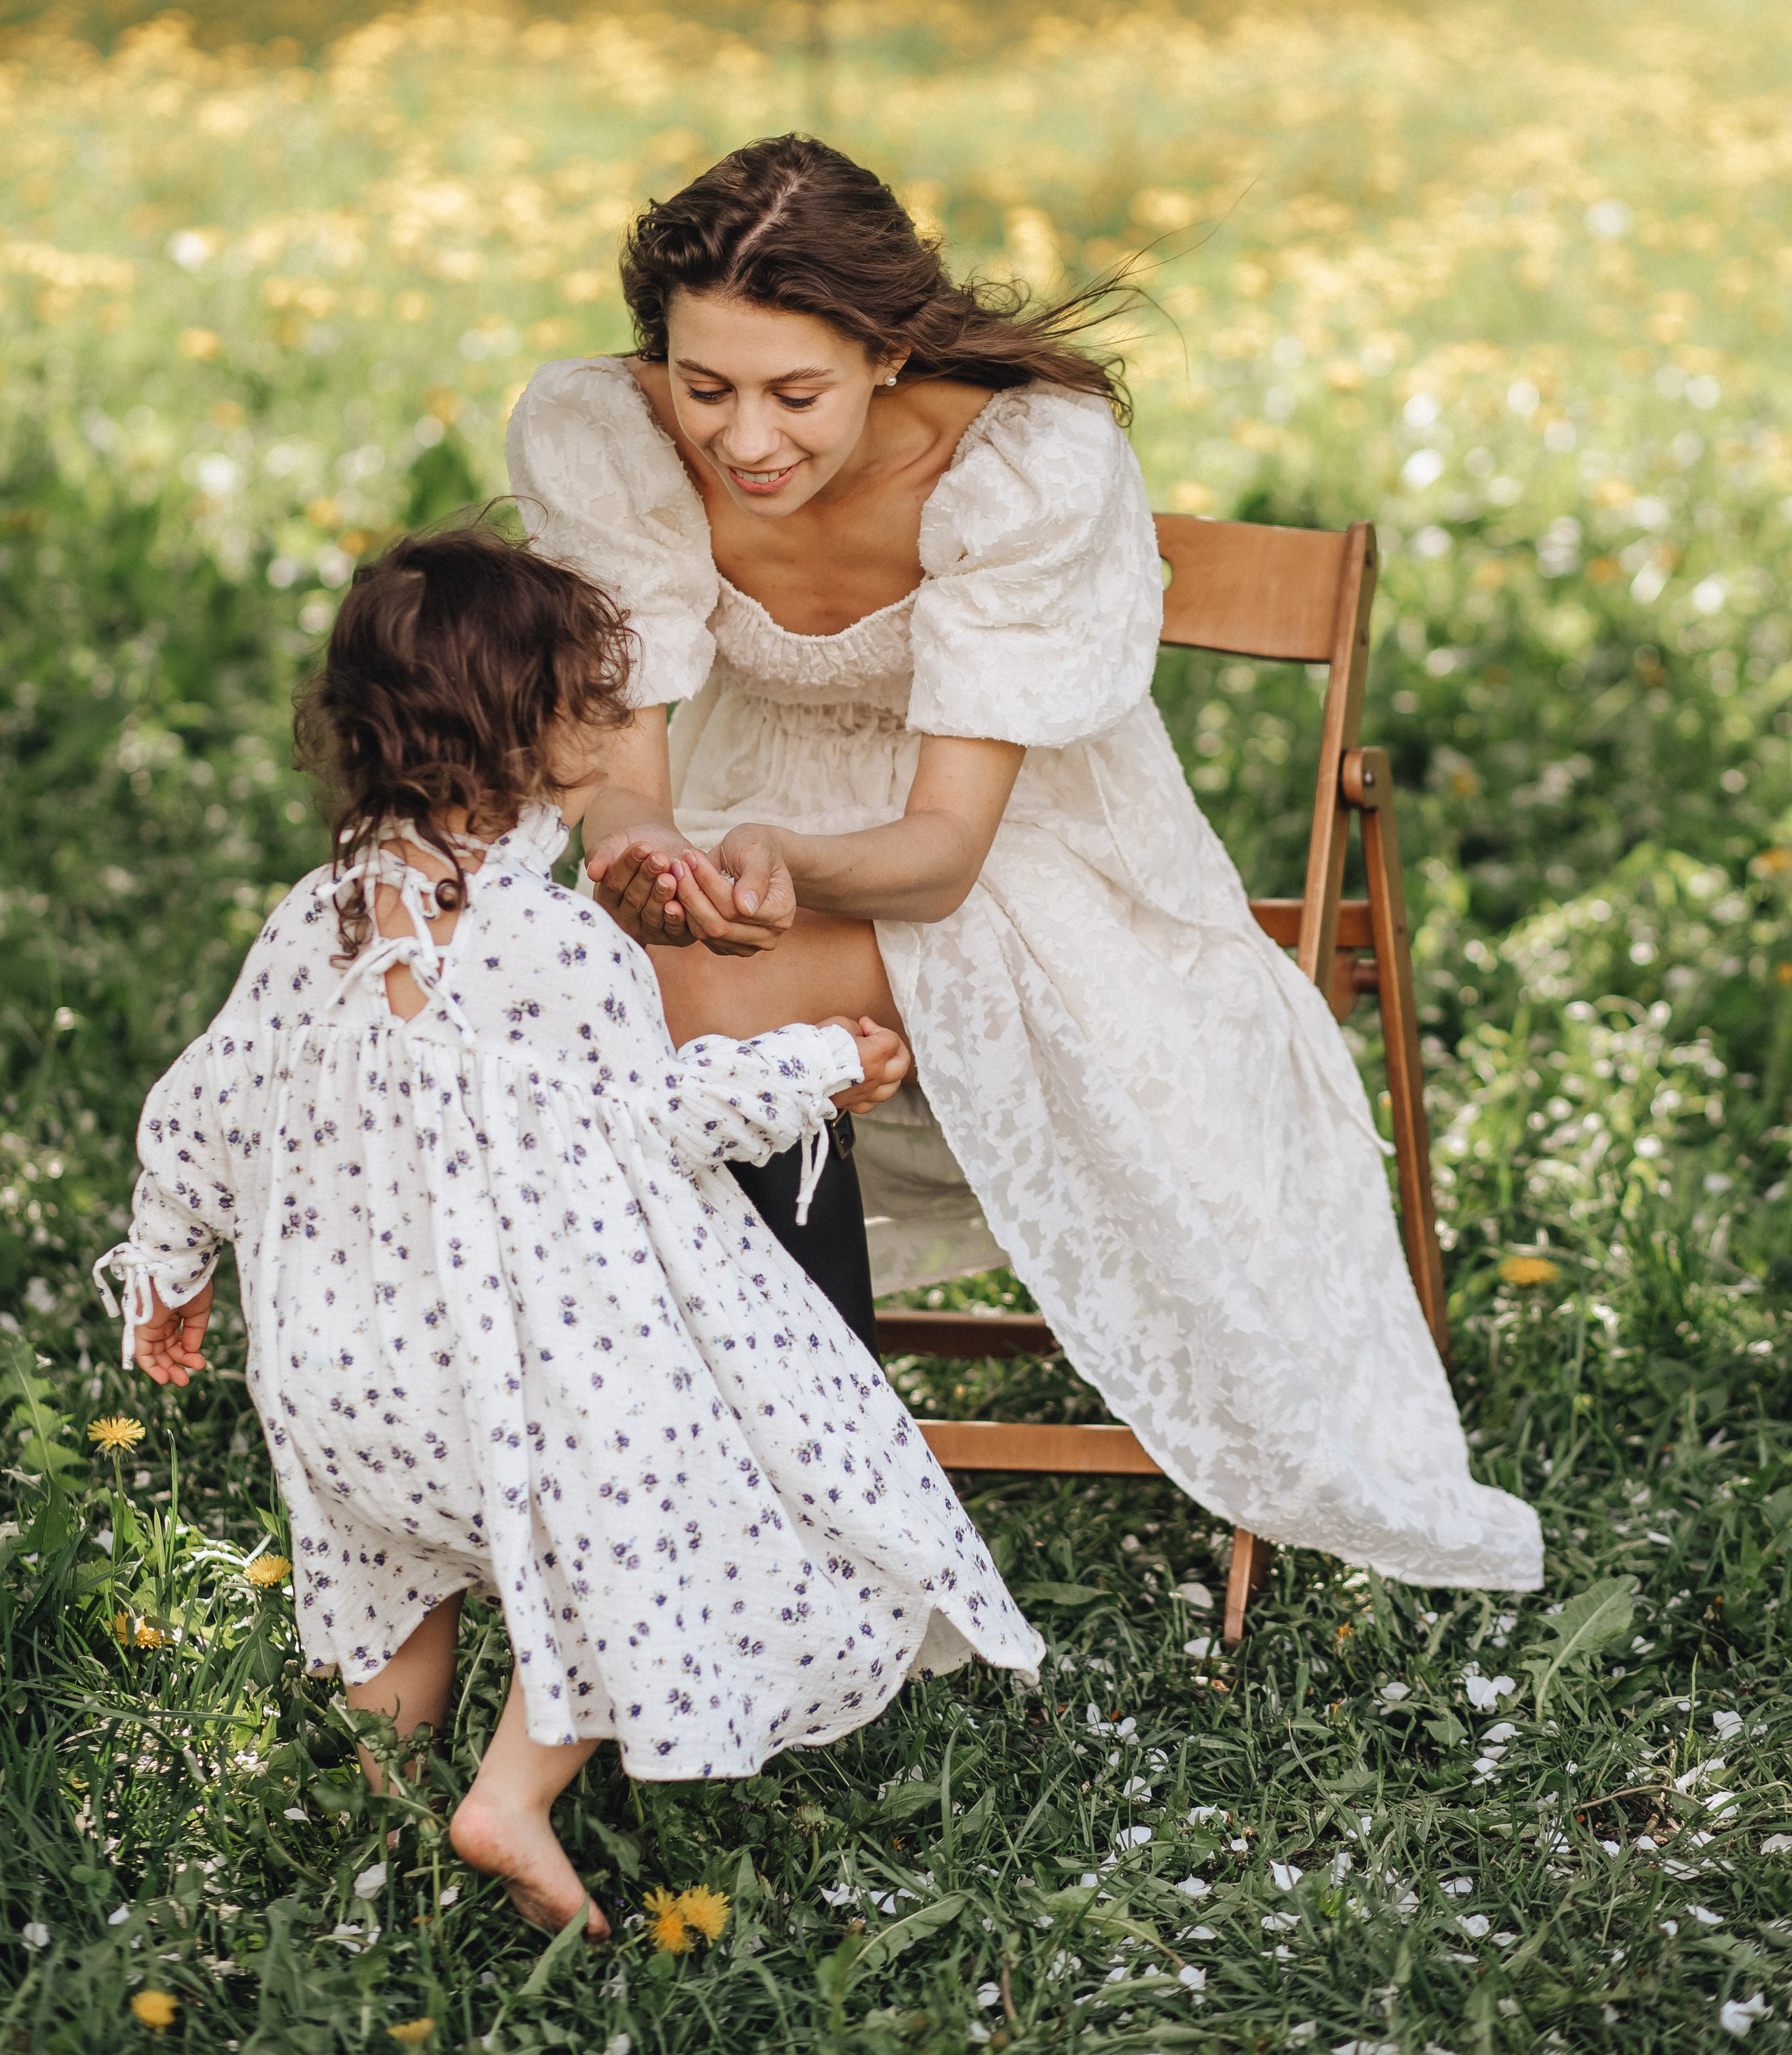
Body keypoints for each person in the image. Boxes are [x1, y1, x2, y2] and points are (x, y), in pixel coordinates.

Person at [506, 134, 1542, 1596]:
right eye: (704, 386)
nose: (743, 440)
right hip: (753, 821)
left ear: (883, 350)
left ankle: (805, 1490)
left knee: (715, 1015)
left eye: (794, 392)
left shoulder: (1024, 463)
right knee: (584, 1000)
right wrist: (641, 858)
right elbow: (626, 778)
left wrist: (772, 865)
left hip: (1011, 864)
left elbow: (937, 859)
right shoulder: (607, 439)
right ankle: (714, 1453)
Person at [93, 527, 1042, 1940]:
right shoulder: (553, 945)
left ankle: (385, 1816)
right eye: (593, 701)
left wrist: (168, 1269)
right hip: (510, 1390)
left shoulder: (312, 925)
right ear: (531, 736)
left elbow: (197, 1107)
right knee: (648, 1523)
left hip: (339, 1384)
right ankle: (508, 1796)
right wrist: (823, 1064)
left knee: (391, 1579)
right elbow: (662, 1114)